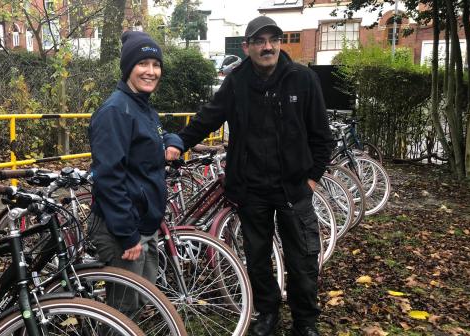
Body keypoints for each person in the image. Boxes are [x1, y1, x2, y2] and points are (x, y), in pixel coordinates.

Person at [166, 16, 334, 336]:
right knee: (257, 259)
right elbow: (208, 118)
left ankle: (305, 322)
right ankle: (267, 314)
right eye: (259, 41)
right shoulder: (237, 81)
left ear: (280, 43)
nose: (267, 46)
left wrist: (311, 180)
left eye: (272, 40)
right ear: (247, 47)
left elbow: (322, 137)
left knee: (302, 259)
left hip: (293, 189)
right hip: (252, 189)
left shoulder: (302, 78)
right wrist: (178, 142)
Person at [88, 31, 182, 314]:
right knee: (122, 311)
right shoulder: (115, 111)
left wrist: (172, 141)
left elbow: (157, 133)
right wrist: (127, 234)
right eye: (143, 64)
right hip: (123, 228)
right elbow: (108, 177)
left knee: (142, 299)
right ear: (128, 67)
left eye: (156, 65)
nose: (151, 71)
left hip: (144, 223)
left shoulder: (142, 107)